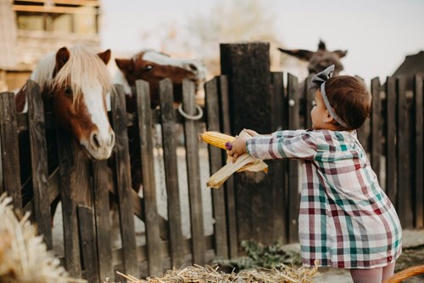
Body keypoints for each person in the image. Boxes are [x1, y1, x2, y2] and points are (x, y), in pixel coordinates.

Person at [226, 65, 402, 283]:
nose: (312, 109)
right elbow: (296, 138)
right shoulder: (346, 137)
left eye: (314, 105)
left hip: (367, 237)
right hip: (386, 225)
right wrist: (259, 138)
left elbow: (284, 147)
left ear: (328, 115)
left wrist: (249, 145)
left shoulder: (319, 143)